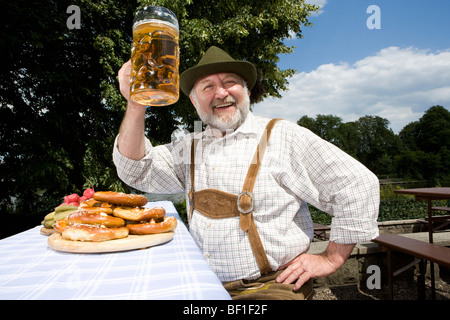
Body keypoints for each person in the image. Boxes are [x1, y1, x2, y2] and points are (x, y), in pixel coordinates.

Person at [113, 46, 380, 300]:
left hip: (271, 288)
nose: (221, 93)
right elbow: (136, 169)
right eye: (208, 86)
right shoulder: (189, 147)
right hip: (204, 285)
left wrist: (331, 257)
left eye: (230, 82)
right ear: (194, 101)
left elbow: (358, 184)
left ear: (247, 92)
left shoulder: (281, 136)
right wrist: (136, 103)